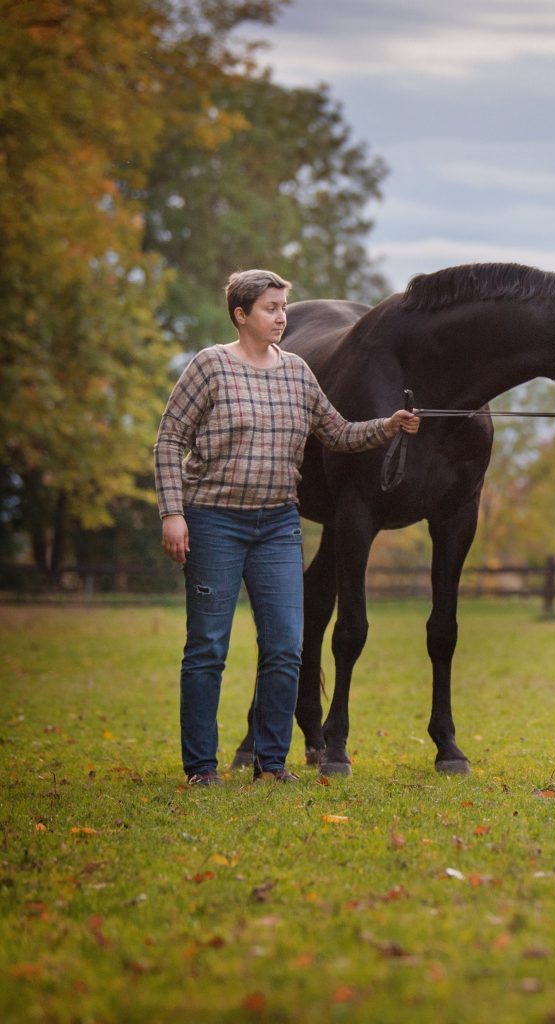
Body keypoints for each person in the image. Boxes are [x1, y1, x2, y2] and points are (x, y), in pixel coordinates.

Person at [154, 269, 419, 786]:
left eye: (282, 308)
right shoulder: (209, 367)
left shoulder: (297, 372)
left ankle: (271, 763)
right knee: (208, 647)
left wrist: (388, 426)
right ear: (240, 315)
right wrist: (172, 512)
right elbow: (169, 442)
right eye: (270, 309)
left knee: (285, 647)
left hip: (278, 523)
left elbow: (338, 433)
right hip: (214, 521)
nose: (282, 318)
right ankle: (201, 767)